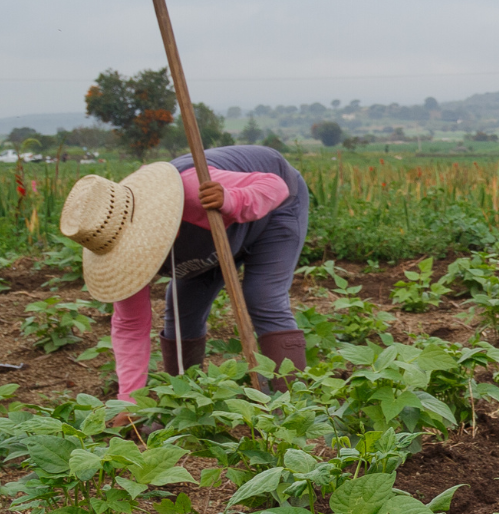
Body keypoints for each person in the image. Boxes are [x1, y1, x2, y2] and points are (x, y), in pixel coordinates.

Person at [56, 145, 313, 404]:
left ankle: (291, 407)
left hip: (275, 210)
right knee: (181, 311)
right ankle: (185, 402)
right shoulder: (111, 238)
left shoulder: (192, 189)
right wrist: (128, 402)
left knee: (262, 297)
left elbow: (275, 186)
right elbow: (130, 326)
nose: (138, 254)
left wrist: (231, 200)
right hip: (210, 239)